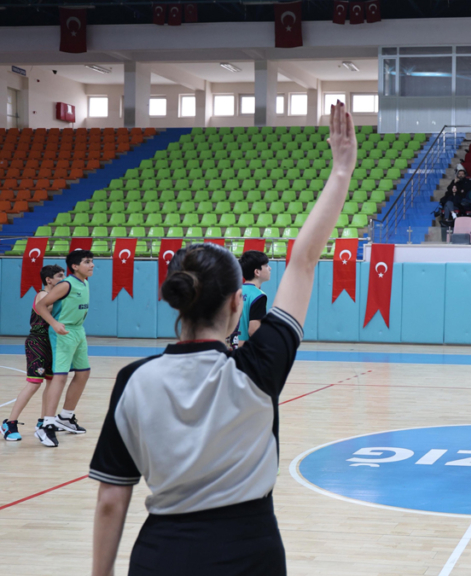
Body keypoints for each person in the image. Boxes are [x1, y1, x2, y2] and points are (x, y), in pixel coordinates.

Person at [88, 101, 358, 576]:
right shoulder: (258, 367)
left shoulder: (133, 380)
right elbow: (304, 261)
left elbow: (113, 494)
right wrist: (340, 170)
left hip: (161, 554)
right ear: (238, 302)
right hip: (249, 553)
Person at [32, 249, 94, 447]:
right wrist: (54, 324)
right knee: (59, 377)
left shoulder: (85, 282)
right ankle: (46, 424)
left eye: (92, 261)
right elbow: (41, 306)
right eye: (87, 262)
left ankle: (65, 417)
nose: (91, 265)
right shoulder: (65, 284)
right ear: (75, 266)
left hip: (78, 332)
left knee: (83, 373)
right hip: (62, 333)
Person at [2, 265, 65, 442]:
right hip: (37, 342)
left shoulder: (56, 296)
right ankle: (9, 423)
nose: (64, 279)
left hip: (52, 343)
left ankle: (44, 421)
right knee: (34, 384)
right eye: (60, 276)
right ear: (49, 280)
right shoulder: (43, 295)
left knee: (51, 384)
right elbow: (49, 309)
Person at [232, 250, 270, 348]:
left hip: (231, 346)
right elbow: (253, 330)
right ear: (257, 272)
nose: (269, 268)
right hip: (246, 350)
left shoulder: (235, 291)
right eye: (266, 266)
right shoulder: (259, 295)